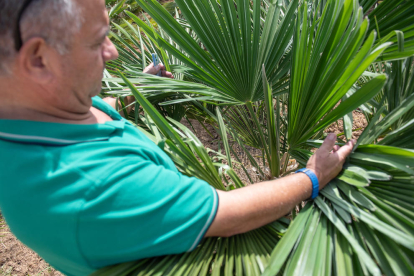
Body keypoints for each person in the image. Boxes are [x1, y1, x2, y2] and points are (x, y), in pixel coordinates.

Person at [0, 0, 355, 275]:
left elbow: (94, 108)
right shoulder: (90, 185)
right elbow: (230, 215)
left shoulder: (28, 112)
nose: (113, 51)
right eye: (97, 42)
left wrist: (141, 88)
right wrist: (311, 176)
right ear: (39, 60)